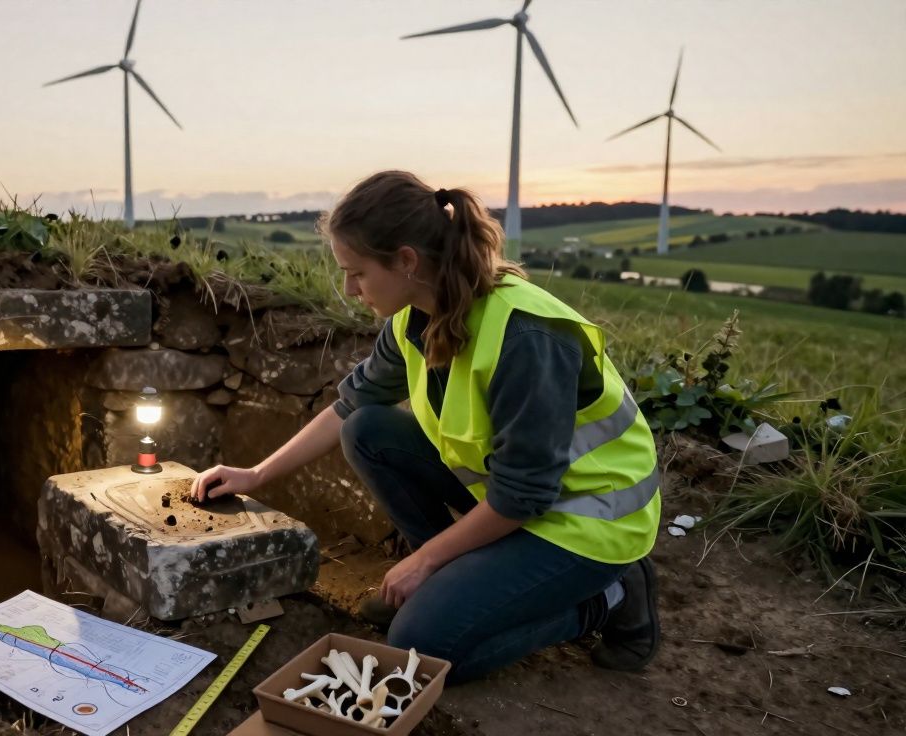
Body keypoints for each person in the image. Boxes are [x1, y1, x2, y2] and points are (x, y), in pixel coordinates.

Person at [190, 170, 662, 682]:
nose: (350, 291)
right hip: (517, 501)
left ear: (407, 261)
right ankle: (452, 582)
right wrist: (255, 475)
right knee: (367, 431)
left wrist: (426, 560)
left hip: (588, 521)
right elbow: (349, 408)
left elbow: (523, 495)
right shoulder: (412, 318)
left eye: (358, 273)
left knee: (424, 647)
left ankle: (608, 600)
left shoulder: (526, 336)